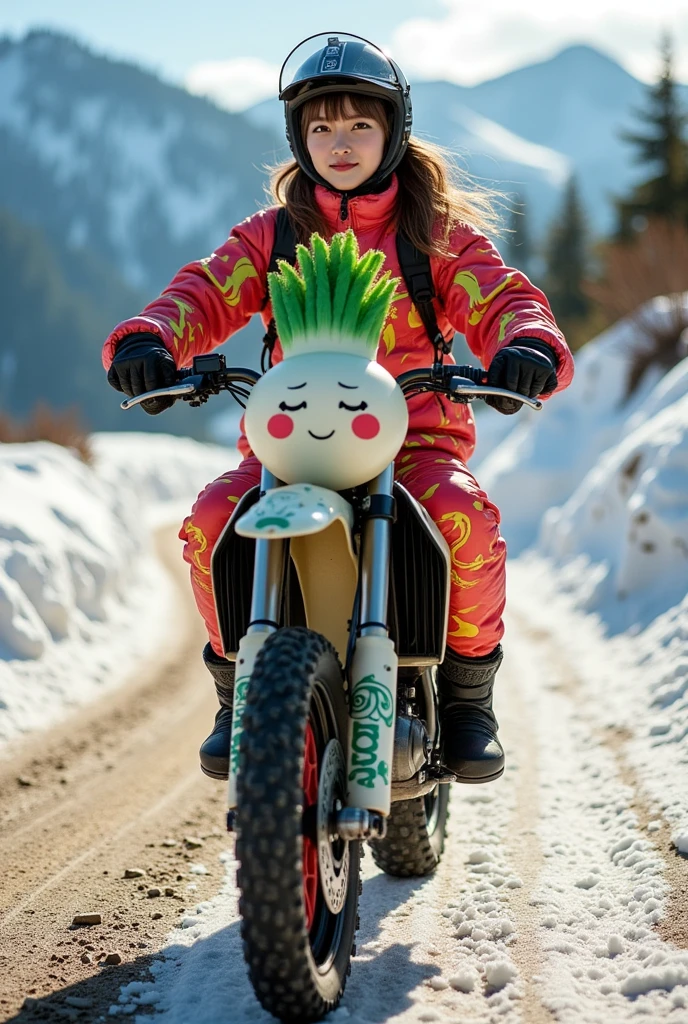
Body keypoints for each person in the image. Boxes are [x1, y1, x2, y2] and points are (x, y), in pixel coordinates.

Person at [103, 33, 574, 785]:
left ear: (393, 131)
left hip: (414, 442)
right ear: (299, 137)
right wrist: (151, 337)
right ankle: (237, 692)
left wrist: (528, 342)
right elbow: (204, 290)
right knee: (211, 522)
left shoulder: (436, 236)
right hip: (289, 449)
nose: (340, 143)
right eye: (321, 127)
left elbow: (503, 295)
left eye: (359, 124)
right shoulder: (274, 236)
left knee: (468, 520)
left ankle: (466, 700)